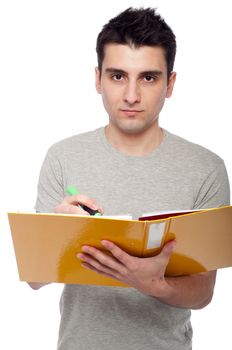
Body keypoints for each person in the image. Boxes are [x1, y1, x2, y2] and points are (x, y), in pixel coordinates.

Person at [30, 7, 230, 350]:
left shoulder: (206, 168)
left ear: (170, 83)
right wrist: (58, 236)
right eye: (118, 76)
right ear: (98, 78)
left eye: (149, 77)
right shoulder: (63, 156)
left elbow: (204, 293)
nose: (132, 96)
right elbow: (34, 280)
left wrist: (154, 284)